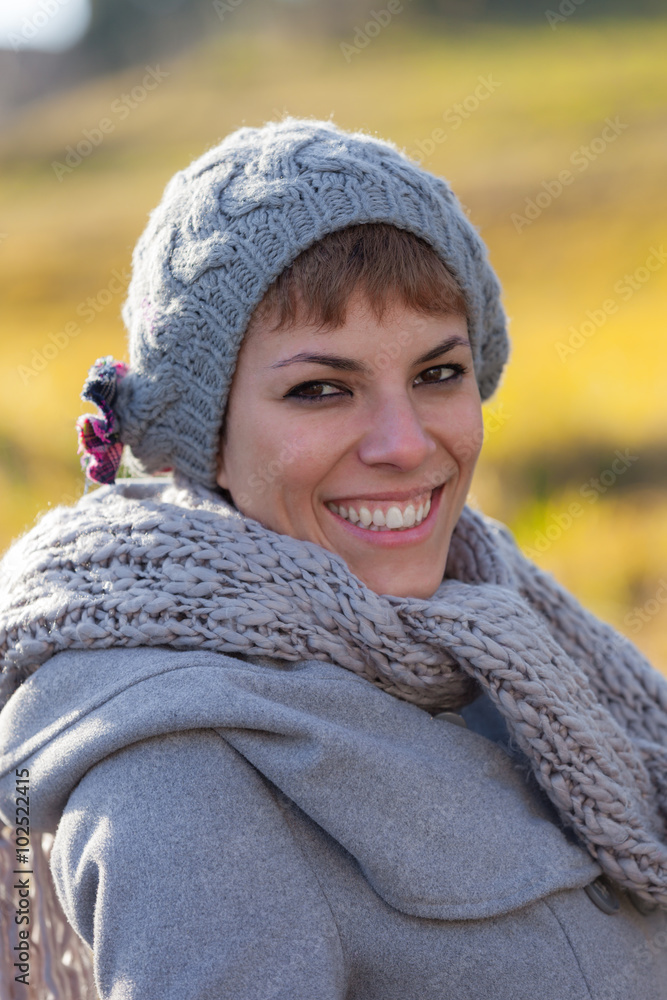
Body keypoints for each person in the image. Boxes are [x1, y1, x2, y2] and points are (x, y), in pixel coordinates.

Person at [0, 117, 666, 1000]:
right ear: (201, 440)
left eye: (437, 374)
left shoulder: (499, 626)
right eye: (320, 389)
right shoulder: (186, 778)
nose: (405, 443)